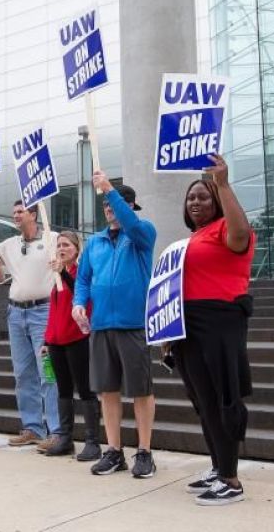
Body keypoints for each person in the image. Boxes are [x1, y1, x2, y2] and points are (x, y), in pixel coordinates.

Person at [172, 154, 255, 506]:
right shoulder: (191, 239)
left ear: (217, 201)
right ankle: (219, 466)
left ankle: (231, 480)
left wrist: (222, 183)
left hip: (219, 320)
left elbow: (241, 234)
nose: (195, 202)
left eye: (203, 197)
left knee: (223, 398)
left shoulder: (226, 229)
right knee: (203, 400)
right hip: (188, 325)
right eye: (191, 197)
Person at [73, 172, 158, 478]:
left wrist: (110, 190)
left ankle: (145, 452)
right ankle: (114, 451)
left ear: (130, 205)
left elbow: (131, 225)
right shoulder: (94, 242)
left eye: (116, 203)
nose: (109, 208)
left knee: (140, 390)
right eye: (107, 204)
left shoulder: (141, 232)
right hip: (101, 325)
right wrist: (78, 303)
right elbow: (83, 279)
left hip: (132, 324)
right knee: (107, 390)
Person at [0, 202, 60, 450]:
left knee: (48, 373)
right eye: (14, 211)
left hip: (44, 312)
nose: (15, 215)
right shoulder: (9, 244)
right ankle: (33, 428)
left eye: (20, 211)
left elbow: (73, 260)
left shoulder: (52, 239)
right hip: (16, 314)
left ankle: (56, 431)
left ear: (33, 214)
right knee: (23, 375)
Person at [38, 231, 101, 460]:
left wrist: (63, 273)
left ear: (76, 249)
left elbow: (81, 295)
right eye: (59, 245)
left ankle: (92, 441)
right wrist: (47, 340)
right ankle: (65, 438)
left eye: (66, 245)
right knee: (63, 390)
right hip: (58, 340)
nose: (61, 249)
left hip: (77, 338)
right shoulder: (57, 277)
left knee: (85, 389)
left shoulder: (81, 273)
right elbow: (55, 312)